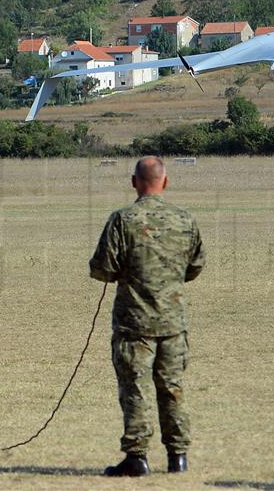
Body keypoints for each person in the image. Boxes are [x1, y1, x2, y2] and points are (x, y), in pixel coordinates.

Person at [89, 156, 205, 477]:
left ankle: (137, 457)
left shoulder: (122, 220)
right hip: (172, 323)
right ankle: (177, 457)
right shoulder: (185, 220)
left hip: (134, 324)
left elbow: (102, 269)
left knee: (136, 388)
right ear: (165, 182)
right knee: (172, 387)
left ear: (134, 182)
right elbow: (195, 267)